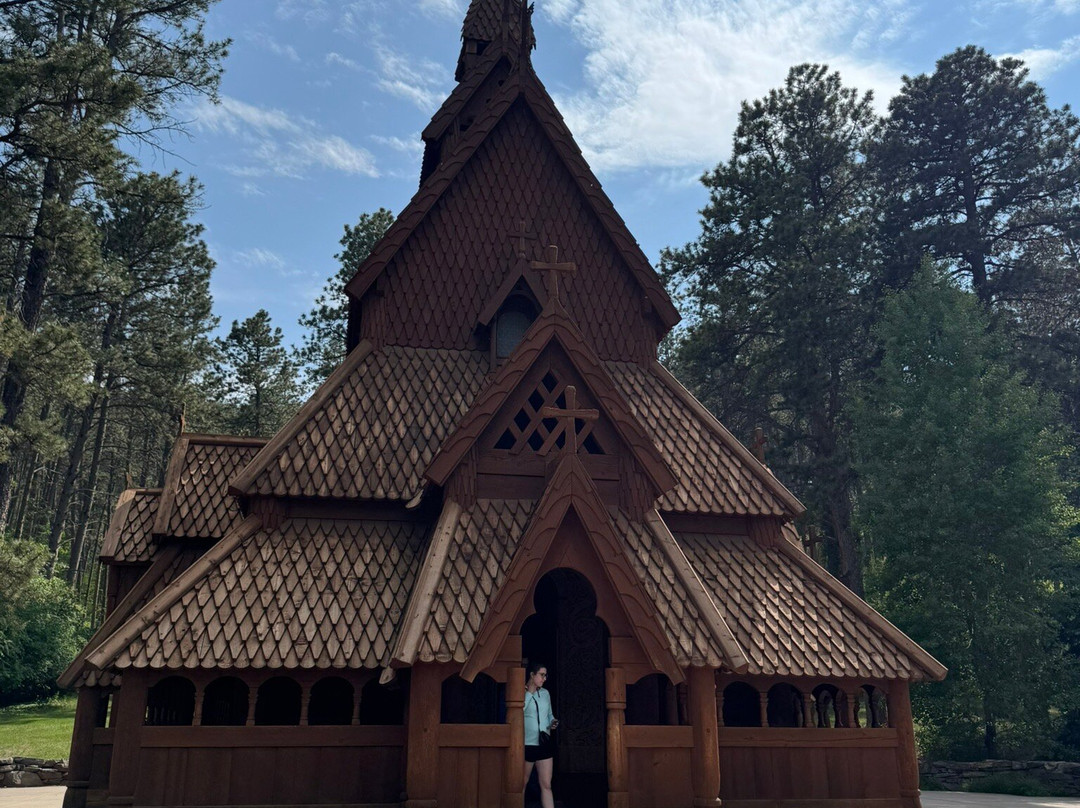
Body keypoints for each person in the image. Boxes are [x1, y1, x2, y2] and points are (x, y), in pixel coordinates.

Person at [523, 661, 558, 808]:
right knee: (521, 785)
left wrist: (552, 722)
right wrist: (530, 693)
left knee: (546, 785)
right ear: (532, 675)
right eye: (541, 675)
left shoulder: (545, 693)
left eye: (545, 675)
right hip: (527, 744)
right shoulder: (521, 691)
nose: (544, 679)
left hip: (544, 742)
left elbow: (549, 714)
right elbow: (519, 711)